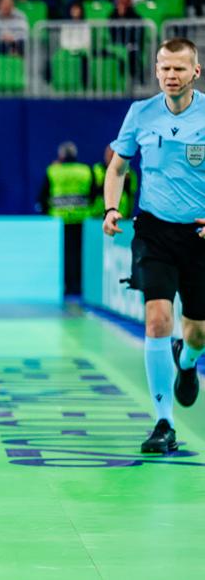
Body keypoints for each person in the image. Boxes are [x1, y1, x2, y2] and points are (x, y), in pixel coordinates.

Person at [105, 37, 205, 454]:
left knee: (197, 332)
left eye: (179, 68)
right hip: (153, 231)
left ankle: (187, 360)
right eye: (164, 67)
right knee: (157, 319)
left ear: (195, 72)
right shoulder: (140, 113)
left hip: (198, 235)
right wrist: (112, 208)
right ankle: (164, 423)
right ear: (156, 70)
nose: (171, 75)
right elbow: (118, 167)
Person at [37, 140, 95, 295]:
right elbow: (93, 194)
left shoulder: (53, 171)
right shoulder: (85, 170)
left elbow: (43, 196)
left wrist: (47, 212)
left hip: (60, 220)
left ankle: (67, 286)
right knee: (80, 254)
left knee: (64, 254)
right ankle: (80, 286)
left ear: (61, 155)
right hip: (81, 219)